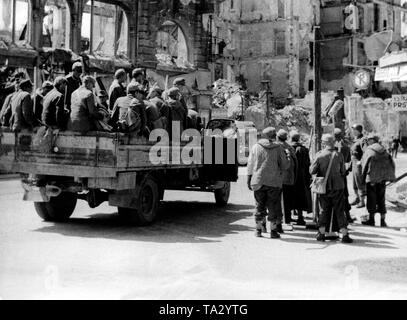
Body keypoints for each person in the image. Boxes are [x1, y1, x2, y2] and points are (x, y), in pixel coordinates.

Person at [247, 127, 290, 238]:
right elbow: (284, 166)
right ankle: (273, 231)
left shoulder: (256, 147)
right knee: (273, 206)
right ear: (274, 136)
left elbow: (250, 164)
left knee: (259, 206)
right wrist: (288, 158)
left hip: (258, 180)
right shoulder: (279, 148)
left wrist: (249, 178)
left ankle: (258, 230)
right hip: (274, 182)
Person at [310, 134, 353, 243]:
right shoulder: (339, 155)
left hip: (324, 187)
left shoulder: (319, 155)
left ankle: (321, 233)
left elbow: (312, 171)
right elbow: (343, 171)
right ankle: (344, 234)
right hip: (338, 186)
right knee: (340, 210)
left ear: (324, 143)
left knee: (324, 210)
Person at [361, 133, 396, 227]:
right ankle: (382, 221)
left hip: (371, 179)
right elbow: (392, 164)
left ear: (371, 140)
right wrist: (391, 177)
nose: (367, 141)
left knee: (371, 199)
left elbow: (364, 165)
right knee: (381, 198)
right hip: (382, 179)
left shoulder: (369, 150)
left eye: (368, 140)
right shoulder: (384, 150)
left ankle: (371, 220)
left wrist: (362, 179)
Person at [290, 131, 312, 226]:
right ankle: (300, 217)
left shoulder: (288, 149)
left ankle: (288, 217)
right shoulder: (304, 150)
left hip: (290, 176)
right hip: (302, 176)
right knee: (301, 196)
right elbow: (308, 164)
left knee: (289, 196)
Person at [277, 129, 298, 226]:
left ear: (278, 137)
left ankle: (282, 219)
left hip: (280, 177)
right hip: (290, 177)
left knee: (280, 199)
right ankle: (288, 218)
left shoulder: (277, 147)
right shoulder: (290, 147)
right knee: (288, 199)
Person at [334, 128, 355, 223]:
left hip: (334, 175)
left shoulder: (332, 148)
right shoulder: (346, 147)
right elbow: (349, 163)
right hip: (343, 175)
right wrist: (346, 171)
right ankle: (348, 216)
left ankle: (337, 217)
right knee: (345, 195)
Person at [350, 123, 367, 208]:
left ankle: (362, 201)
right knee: (354, 182)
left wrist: (361, 161)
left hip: (358, 165)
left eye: (354, 130)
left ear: (358, 131)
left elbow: (366, 152)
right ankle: (357, 198)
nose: (353, 131)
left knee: (360, 182)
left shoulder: (362, 140)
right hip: (353, 163)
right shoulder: (355, 139)